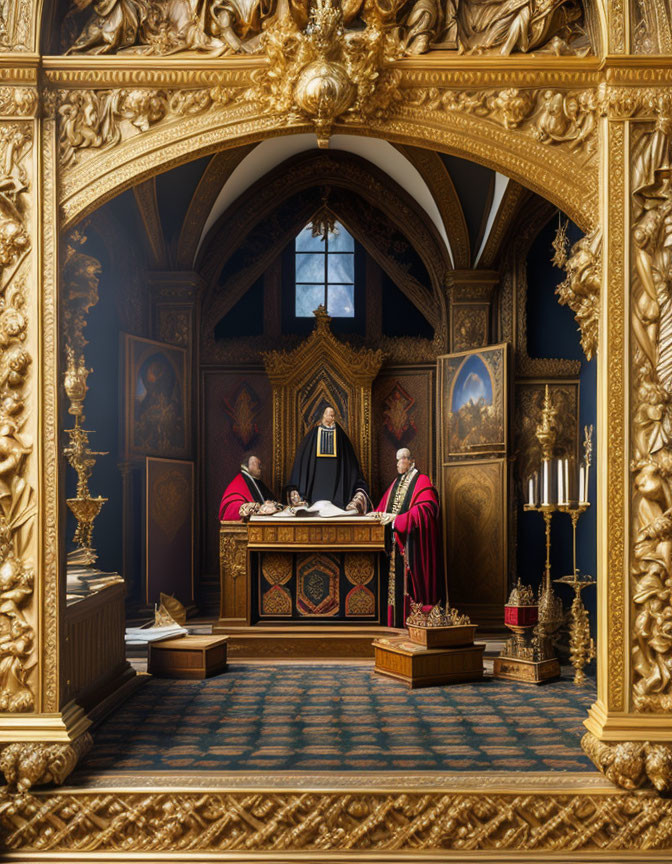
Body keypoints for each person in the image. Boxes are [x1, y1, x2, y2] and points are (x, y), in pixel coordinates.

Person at [374, 447, 446, 626]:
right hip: (395, 546)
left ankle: (415, 623)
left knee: (410, 586)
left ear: (410, 461)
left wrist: (399, 520)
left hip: (413, 545)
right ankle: (396, 623)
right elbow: (384, 507)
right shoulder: (396, 483)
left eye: (401, 460)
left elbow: (428, 508)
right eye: (397, 460)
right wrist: (376, 515)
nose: (398, 464)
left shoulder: (422, 480)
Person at [288, 406, 370, 512]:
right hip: (315, 488)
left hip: (337, 492)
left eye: (333, 415)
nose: (331, 417)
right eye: (329, 414)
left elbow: (350, 464)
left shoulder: (341, 437)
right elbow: (303, 462)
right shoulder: (313, 435)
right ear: (324, 415)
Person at [218, 454, 281, 521]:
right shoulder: (239, 481)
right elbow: (232, 508)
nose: (261, 467)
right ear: (249, 465)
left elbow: (272, 500)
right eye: (258, 464)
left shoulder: (256, 481)